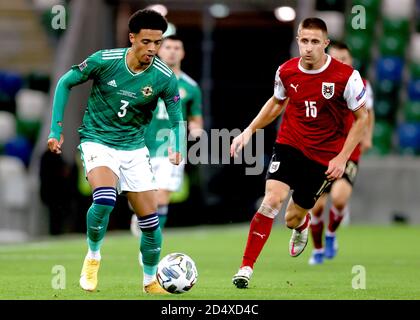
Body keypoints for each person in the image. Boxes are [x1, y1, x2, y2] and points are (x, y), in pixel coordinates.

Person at [47, 9, 185, 294]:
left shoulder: (163, 77)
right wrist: (55, 129)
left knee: (151, 221)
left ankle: (149, 280)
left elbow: (176, 116)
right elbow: (64, 83)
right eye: (146, 41)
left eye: (157, 43)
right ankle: (93, 256)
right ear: (132, 37)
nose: (152, 49)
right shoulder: (105, 60)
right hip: (97, 141)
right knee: (106, 198)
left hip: (134, 148)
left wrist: (177, 143)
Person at [230, 17, 368, 289]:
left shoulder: (345, 76)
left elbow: (362, 119)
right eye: (304, 41)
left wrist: (341, 158)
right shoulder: (286, 71)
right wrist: (249, 131)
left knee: (292, 217)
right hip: (290, 144)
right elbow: (276, 104)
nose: (308, 47)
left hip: (324, 157)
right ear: (298, 41)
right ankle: (246, 267)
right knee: (271, 200)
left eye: (315, 42)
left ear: (325, 44)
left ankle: (302, 225)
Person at [308, 41, 375, 265]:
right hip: (321, 150)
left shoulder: (360, 83)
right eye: (335, 58)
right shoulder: (316, 81)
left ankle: (331, 234)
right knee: (316, 206)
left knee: (338, 198)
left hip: (348, 150)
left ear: (351, 60)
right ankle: (317, 249)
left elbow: (368, 113)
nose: (340, 62)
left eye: (344, 58)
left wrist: (367, 136)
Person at [130, 34, 203, 237]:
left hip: (172, 147)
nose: (172, 51)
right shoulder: (144, 79)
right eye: (168, 47)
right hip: (141, 145)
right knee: (144, 197)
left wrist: (195, 129)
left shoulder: (191, 87)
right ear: (159, 51)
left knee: (162, 196)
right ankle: (142, 215)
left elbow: (196, 117)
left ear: (183, 53)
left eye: (176, 48)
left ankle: (151, 243)